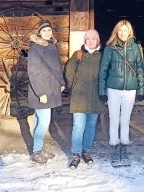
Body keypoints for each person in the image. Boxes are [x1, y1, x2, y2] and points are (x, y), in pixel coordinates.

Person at [98, 20, 144, 167]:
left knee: (125, 120)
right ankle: (114, 148)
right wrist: (102, 91)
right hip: (113, 89)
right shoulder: (110, 49)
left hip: (130, 89)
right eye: (120, 30)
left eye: (126, 30)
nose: (123, 33)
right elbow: (103, 71)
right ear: (116, 32)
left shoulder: (135, 49)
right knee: (114, 119)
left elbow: (139, 69)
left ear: (129, 32)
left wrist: (141, 89)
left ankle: (124, 147)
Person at [65, 29, 107, 169]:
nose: (90, 41)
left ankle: (86, 151)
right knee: (78, 126)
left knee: (91, 126)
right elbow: (69, 72)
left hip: (95, 96)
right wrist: (74, 86)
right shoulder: (78, 55)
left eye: (93, 39)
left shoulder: (102, 57)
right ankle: (76, 154)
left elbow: (106, 75)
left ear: (98, 41)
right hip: (79, 96)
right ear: (85, 41)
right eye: (88, 39)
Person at [28, 19, 65, 164]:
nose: (47, 33)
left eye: (49, 30)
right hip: (42, 90)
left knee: (39, 120)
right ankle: (36, 151)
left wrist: (61, 82)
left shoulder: (52, 46)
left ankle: (39, 148)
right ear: (39, 33)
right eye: (44, 30)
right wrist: (40, 93)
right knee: (44, 121)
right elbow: (33, 72)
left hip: (52, 87)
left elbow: (57, 67)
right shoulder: (35, 48)